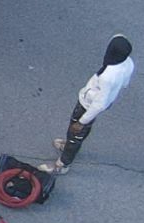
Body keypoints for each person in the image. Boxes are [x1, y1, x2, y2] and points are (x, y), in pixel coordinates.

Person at [54, 36, 136, 169]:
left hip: (88, 105)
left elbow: (99, 104)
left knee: (76, 131)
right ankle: (70, 144)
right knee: (79, 132)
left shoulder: (107, 76)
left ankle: (63, 164)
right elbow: (125, 83)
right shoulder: (128, 63)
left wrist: (82, 121)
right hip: (100, 101)